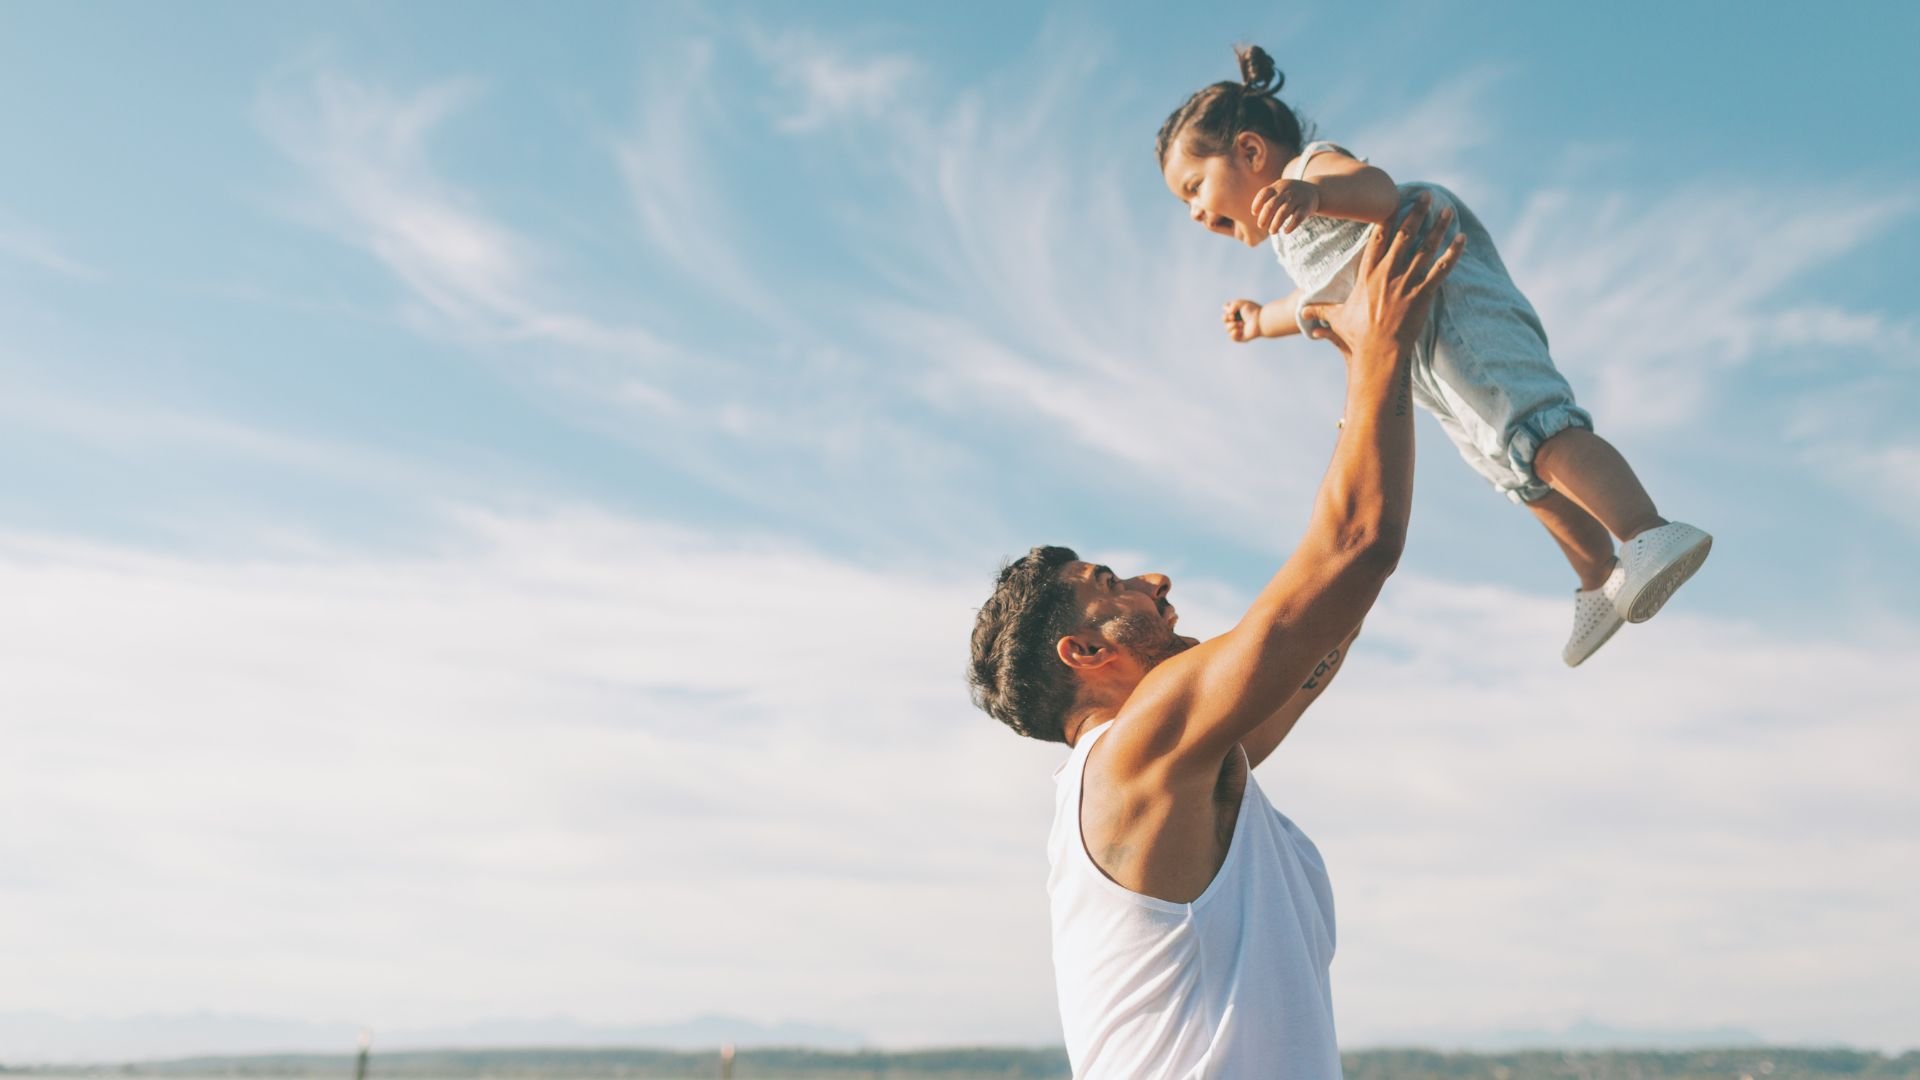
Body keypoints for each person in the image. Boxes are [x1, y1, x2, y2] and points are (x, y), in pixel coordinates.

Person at [968, 197, 1459, 1079]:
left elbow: (1330, 614)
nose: (1153, 582)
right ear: (1083, 654)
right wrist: (1381, 342)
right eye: (1110, 587)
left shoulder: (1191, 768)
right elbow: (1353, 552)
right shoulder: (1136, 756)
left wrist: (1369, 389)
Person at [1158, 45, 1711, 667]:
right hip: (1428, 360)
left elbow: (1378, 190)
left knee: (1535, 427)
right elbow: (1312, 301)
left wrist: (1312, 196)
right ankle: (1599, 579)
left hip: (1459, 314)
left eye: (1194, 188)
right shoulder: (1294, 242)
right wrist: (1262, 320)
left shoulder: (1314, 171)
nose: (1196, 212)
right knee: (1516, 469)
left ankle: (1646, 530)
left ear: (1251, 153)